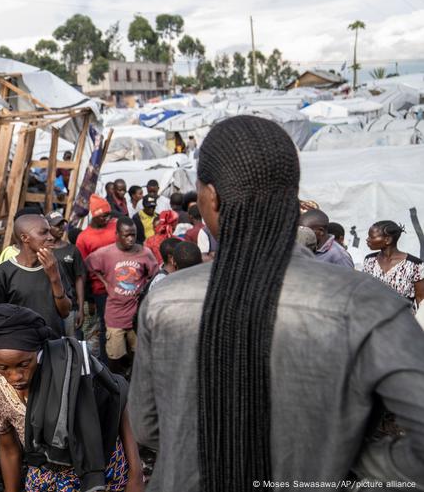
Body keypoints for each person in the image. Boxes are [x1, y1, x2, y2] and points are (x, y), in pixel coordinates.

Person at [130, 116, 424, 490]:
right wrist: (336, 462)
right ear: (292, 197)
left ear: (212, 198)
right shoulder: (367, 303)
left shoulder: (164, 301)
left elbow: (148, 426)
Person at [0, 304, 144, 492]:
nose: (15, 376)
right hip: (46, 477)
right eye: (3, 367)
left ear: (37, 352)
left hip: (104, 469)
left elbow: (118, 404)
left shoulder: (72, 368)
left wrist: (135, 475)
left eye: (24, 364)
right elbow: (8, 449)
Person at [86, 218, 158, 374]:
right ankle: (117, 386)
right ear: (117, 234)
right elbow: (88, 265)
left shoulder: (144, 253)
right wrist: (104, 281)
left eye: (133, 235)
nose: (131, 239)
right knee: (114, 357)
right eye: (126, 235)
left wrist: (143, 287)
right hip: (115, 316)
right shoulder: (105, 253)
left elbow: (155, 275)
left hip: (137, 316)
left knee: (138, 355)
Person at [0, 211, 71, 336]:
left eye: (50, 231)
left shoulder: (54, 265)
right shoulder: (3, 272)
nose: (51, 237)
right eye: (43, 232)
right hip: (20, 348)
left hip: (53, 346)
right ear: (24, 238)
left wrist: (55, 278)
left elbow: (65, 312)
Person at [75, 195, 119, 356]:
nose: (107, 218)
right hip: (100, 290)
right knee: (106, 326)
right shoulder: (84, 238)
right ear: (94, 215)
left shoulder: (115, 227)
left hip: (122, 285)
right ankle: (106, 364)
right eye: (103, 216)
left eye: (108, 215)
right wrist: (89, 298)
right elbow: (82, 271)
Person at [363, 220, 424, 309]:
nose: (367, 239)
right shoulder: (369, 260)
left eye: (372, 237)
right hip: (374, 318)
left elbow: (420, 299)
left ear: (388, 240)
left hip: (403, 320)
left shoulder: (415, 265)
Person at [47, 210, 86, 337]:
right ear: (47, 227)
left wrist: (80, 309)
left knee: (72, 343)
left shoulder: (72, 250)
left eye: (62, 225)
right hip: (49, 307)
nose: (60, 228)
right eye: (56, 225)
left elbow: (79, 279)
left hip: (70, 307)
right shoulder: (43, 251)